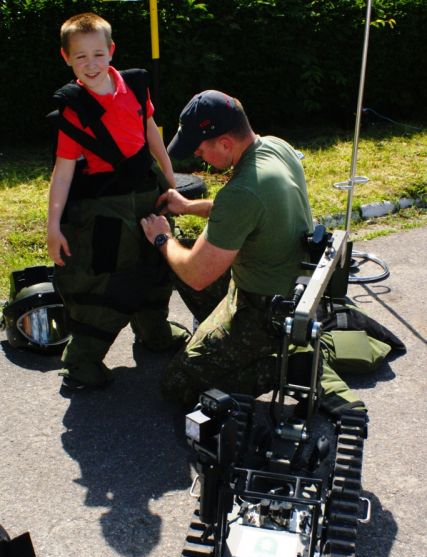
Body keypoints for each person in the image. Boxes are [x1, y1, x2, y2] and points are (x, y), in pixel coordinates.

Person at [141, 90, 367, 414]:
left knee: (177, 385)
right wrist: (189, 206)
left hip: (264, 311)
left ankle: (284, 368)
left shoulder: (243, 192)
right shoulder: (275, 147)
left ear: (225, 143)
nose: (199, 157)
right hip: (287, 288)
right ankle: (235, 345)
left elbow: (197, 274)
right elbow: (247, 210)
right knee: (185, 253)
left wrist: (162, 239)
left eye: (201, 149)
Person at [47, 12, 190, 391]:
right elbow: (63, 173)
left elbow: (152, 135)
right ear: (66, 58)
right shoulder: (74, 108)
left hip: (148, 194)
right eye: (81, 57)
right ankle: (82, 362)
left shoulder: (136, 87)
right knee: (108, 284)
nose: (91, 64)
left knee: (157, 266)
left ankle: (154, 331)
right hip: (105, 210)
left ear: (111, 51)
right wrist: (52, 227)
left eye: (98, 54)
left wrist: (170, 183)